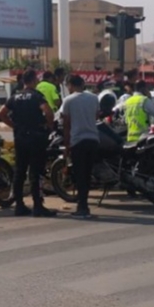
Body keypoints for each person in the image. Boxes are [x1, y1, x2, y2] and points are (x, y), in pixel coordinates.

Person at [0, 69, 56, 217]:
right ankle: (37, 205)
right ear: (34, 80)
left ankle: (19, 205)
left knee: (20, 171)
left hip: (20, 138)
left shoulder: (14, 97)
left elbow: (0, 114)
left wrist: (14, 126)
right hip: (36, 138)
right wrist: (49, 126)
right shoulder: (36, 96)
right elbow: (48, 112)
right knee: (36, 172)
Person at [61, 75, 100, 219]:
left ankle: (82, 207)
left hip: (78, 141)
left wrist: (67, 144)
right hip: (93, 139)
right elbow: (96, 116)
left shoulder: (68, 100)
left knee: (80, 175)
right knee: (87, 174)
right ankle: (84, 205)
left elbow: (66, 124)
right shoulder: (94, 98)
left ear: (70, 85)